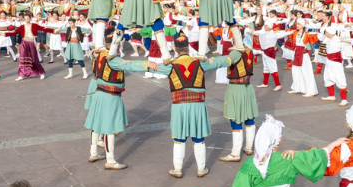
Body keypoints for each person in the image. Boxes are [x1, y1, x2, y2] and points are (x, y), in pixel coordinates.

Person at [220, 115, 345, 187]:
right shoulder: (288, 158)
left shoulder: (249, 164)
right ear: (278, 139)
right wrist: (333, 144)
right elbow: (314, 157)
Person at [149, 32, 235, 178]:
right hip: (198, 104)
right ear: (188, 48)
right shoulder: (200, 62)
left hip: (179, 105)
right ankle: (201, 168)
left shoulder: (170, 65)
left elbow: (145, 67)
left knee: (179, 138)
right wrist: (236, 51)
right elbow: (225, 61)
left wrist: (147, 64)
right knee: (198, 137)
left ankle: (177, 169)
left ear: (175, 49)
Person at [84, 30, 150, 170]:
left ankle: (93, 153)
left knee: (96, 124)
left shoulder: (98, 53)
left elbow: (93, 53)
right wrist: (147, 65)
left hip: (98, 92)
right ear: (117, 45)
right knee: (110, 128)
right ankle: (110, 160)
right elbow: (129, 66)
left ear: (105, 43)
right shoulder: (114, 59)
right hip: (110, 95)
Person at [219, 45, 258, 162]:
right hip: (248, 87)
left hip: (236, 87)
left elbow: (226, 61)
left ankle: (235, 153)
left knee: (235, 119)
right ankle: (249, 147)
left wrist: (209, 61)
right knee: (249, 118)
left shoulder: (236, 52)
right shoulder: (249, 49)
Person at [9, 14, 51, 81]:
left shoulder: (34, 25)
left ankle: (41, 73)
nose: (26, 20)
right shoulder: (22, 26)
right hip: (24, 43)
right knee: (22, 59)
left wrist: (53, 30)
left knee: (34, 59)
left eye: (28, 19)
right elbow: (16, 32)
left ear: (30, 19)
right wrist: (7, 33)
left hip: (31, 42)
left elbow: (43, 28)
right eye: (25, 19)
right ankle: (21, 74)